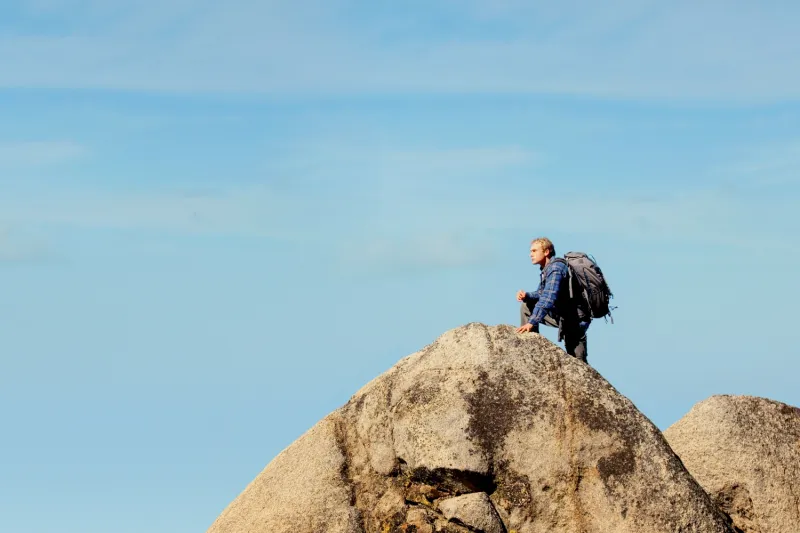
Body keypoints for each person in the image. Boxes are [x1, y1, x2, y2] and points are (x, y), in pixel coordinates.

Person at [515, 237, 590, 363]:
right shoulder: (547, 269)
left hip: (575, 320)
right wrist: (527, 296)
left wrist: (531, 322)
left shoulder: (556, 269)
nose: (530, 254)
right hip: (563, 316)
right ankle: (531, 348)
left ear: (546, 252)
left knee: (578, 362)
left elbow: (548, 297)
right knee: (526, 306)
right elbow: (542, 293)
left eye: (534, 251)